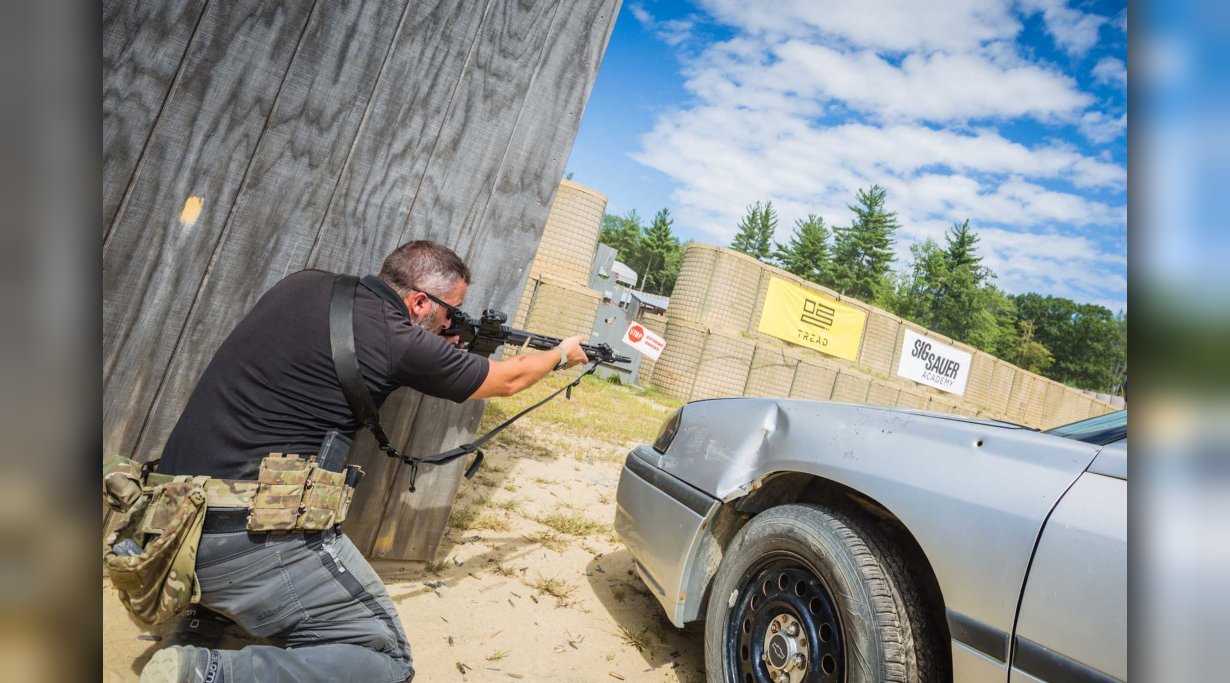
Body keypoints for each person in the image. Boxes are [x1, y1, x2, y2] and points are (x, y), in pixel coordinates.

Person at [138, 240, 587, 683]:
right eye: (449, 310)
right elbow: (506, 381)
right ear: (418, 301)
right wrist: (563, 354)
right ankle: (203, 673)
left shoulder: (304, 284)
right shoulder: (398, 340)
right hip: (239, 539)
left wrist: (431, 337)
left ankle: (202, 619)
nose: (451, 320)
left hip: (165, 522)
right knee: (386, 658)